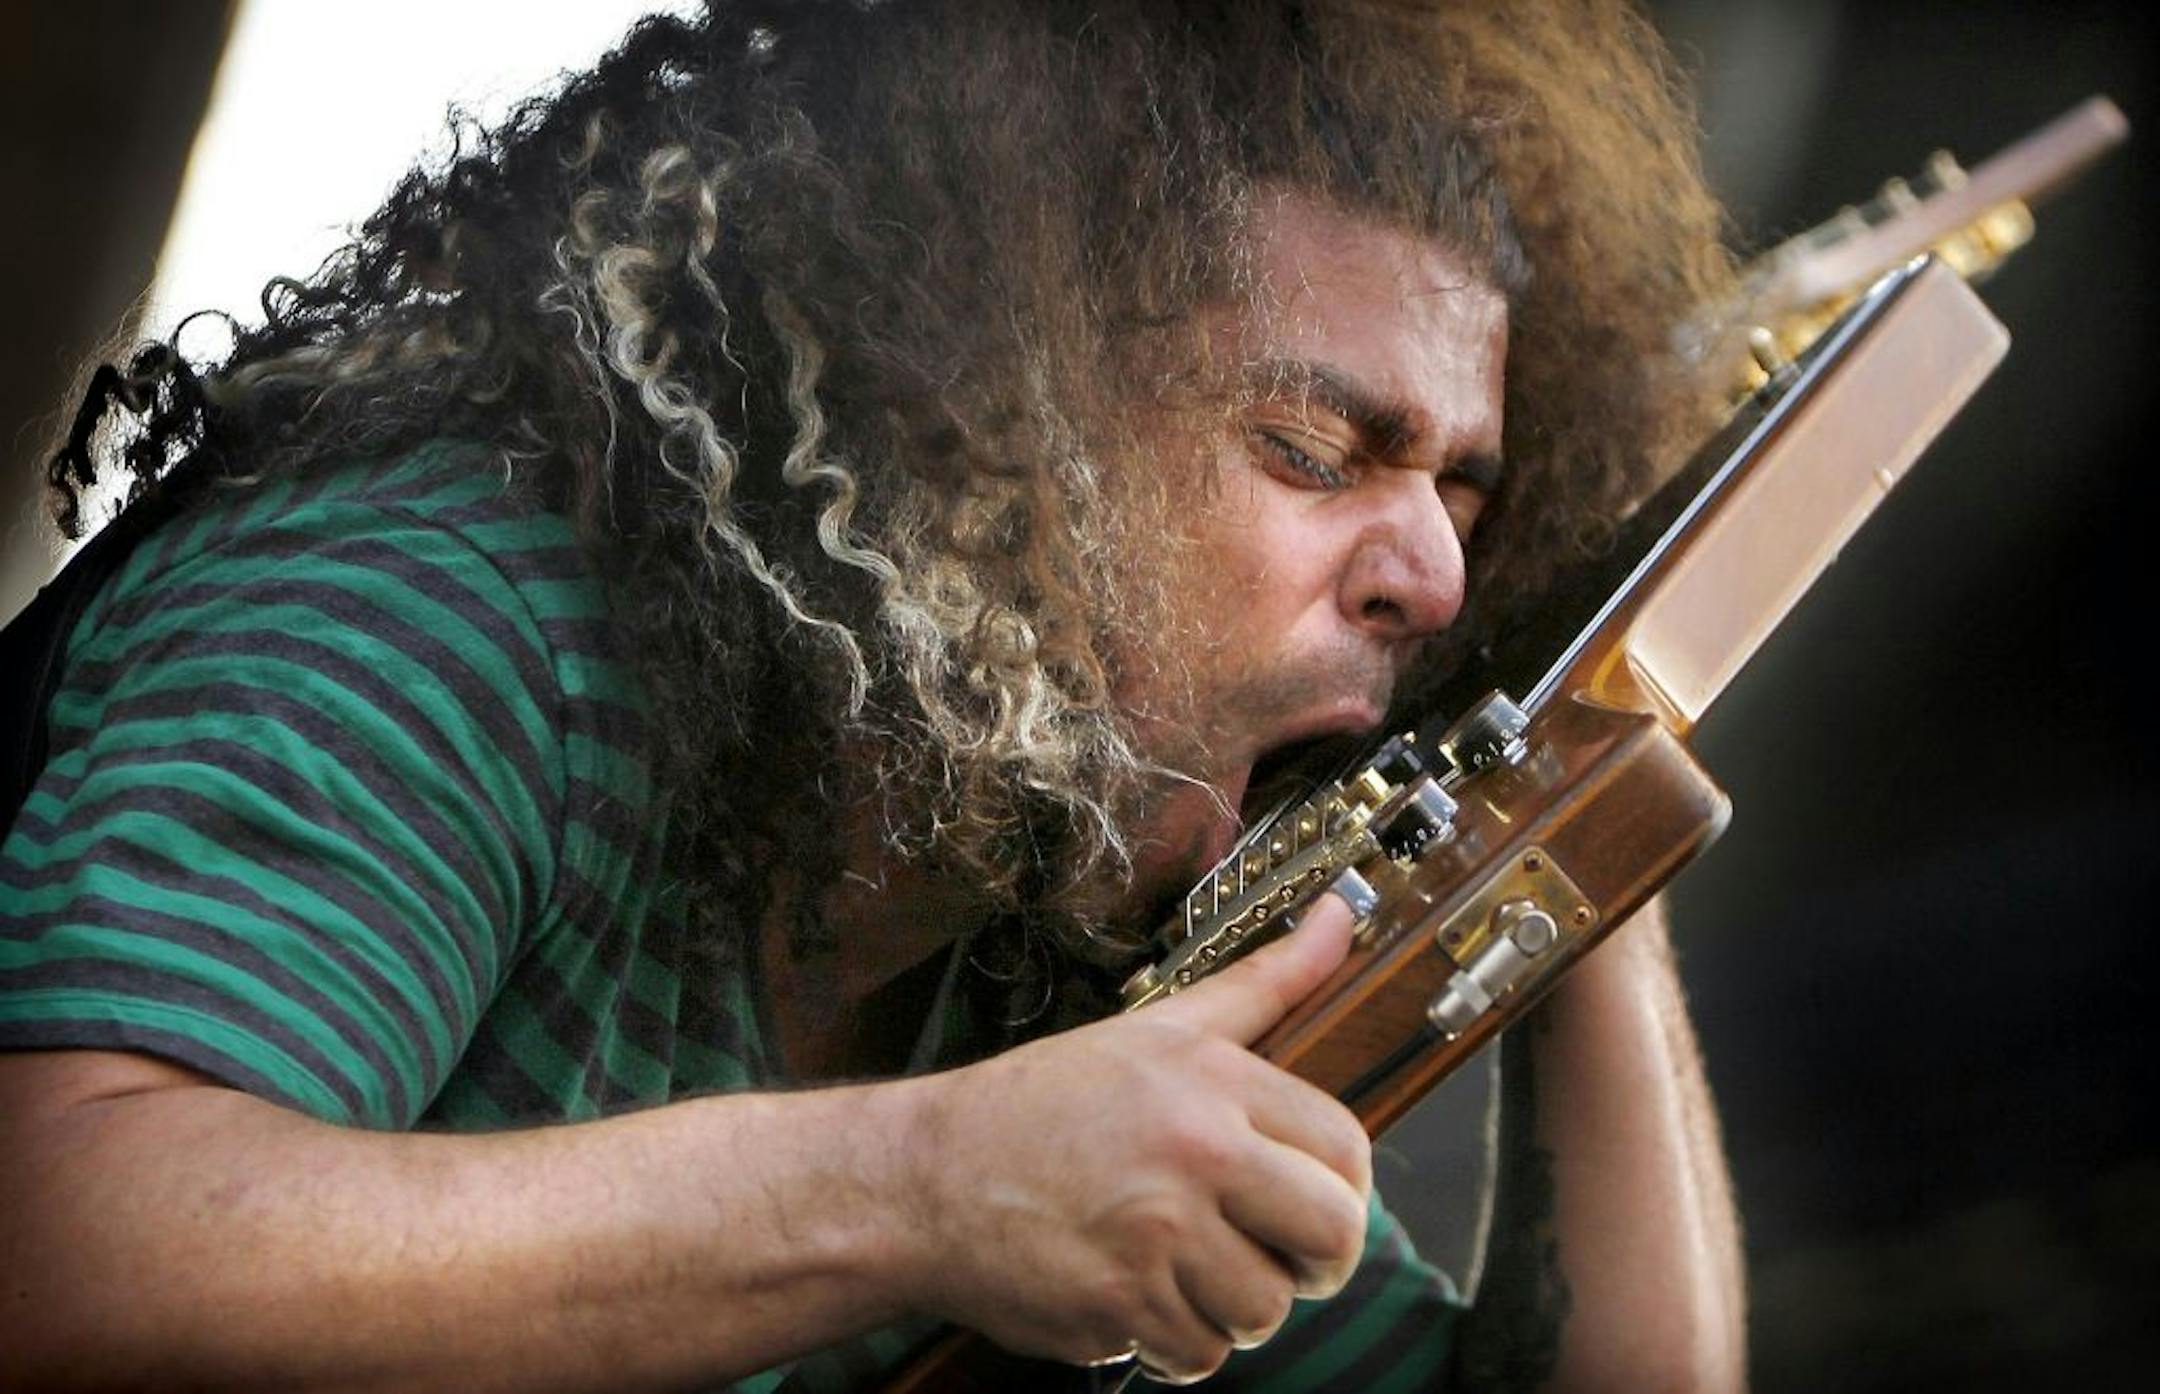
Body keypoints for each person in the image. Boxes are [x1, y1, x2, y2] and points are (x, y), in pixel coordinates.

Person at [0, 2, 1745, 1389]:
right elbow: (64, 1249)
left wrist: (1579, 738)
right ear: (968, 425)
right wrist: (927, 1187)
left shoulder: (1040, 939)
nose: (1433, 581)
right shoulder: (450, 598)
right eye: (1309, 449)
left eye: (1464, 498)